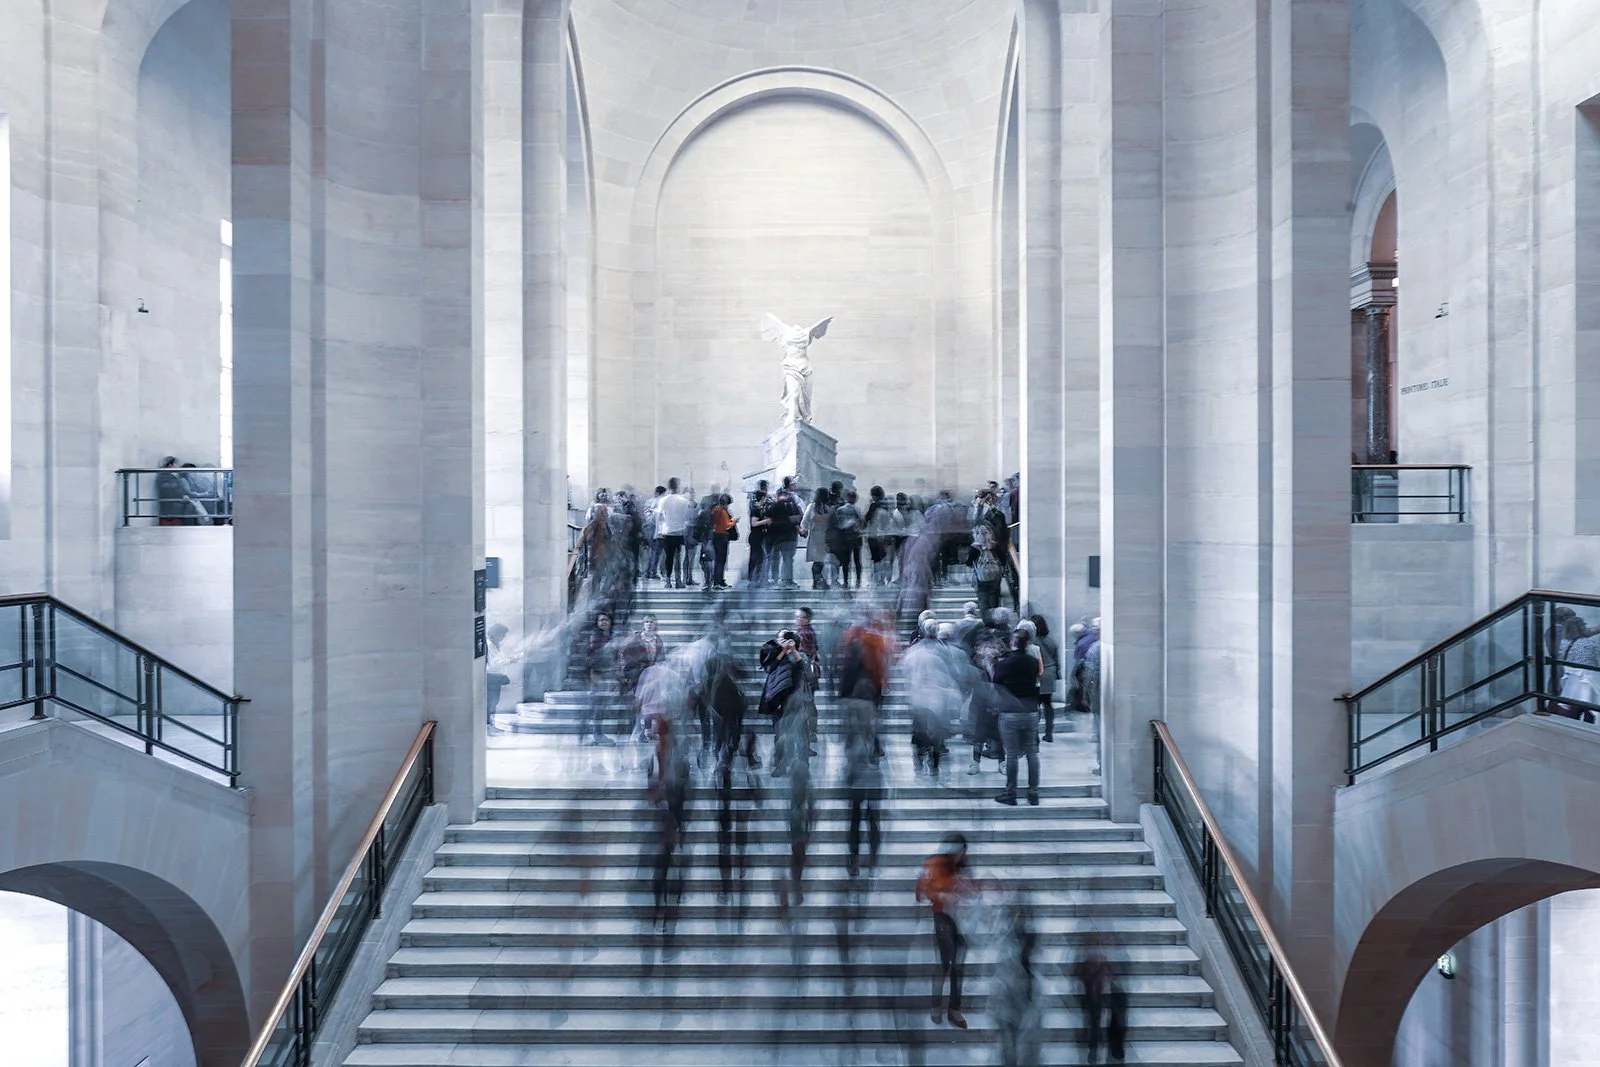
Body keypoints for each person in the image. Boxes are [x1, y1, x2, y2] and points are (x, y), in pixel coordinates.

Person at [915, 833, 972, 1029]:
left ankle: (954, 1009)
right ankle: (936, 1005)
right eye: (958, 852)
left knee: (958, 964)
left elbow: (971, 890)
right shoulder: (934, 864)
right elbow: (921, 891)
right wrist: (941, 895)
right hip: (942, 917)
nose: (961, 856)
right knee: (946, 961)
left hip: (959, 918)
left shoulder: (963, 867)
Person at [993, 624, 1042, 805]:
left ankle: (1011, 793)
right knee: (1032, 752)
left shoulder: (1004, 663)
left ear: (1013, 643)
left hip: (1010, 711)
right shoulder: (1033, 662)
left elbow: (996, 683)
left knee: (1012, 754)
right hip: (1030, 710)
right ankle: (1033, 792)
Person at [1076, 934, 1129, 1065]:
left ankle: (1099, 1046)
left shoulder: (1101, 961)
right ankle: (1096, 1046)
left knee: (1097, 1019)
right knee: (1094, 1019)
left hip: (1099, 994)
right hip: (1094, 995)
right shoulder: (1090, 962)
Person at [766, 477, 803, 589]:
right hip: (788, 535)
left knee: (776, 559)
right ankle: (786, 580)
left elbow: (768, 518)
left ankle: (775, 579)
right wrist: (798, 527)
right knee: (787, 558)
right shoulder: (792, 503)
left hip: (775, 536)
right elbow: (797, 516)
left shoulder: (772, 505)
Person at [1031, 613, 1062, 742]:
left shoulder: (1033, 641)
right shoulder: (1051, 639)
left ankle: (1034, 733)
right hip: (1050, 672)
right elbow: (1056, 657)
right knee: (1048, 704)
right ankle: (1049, 732)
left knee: (1035, 705)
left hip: (1038, 673)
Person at [655, 478, 691, 589]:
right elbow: (687, 517)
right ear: (678, 486)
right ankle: (678, 580)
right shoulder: (684, 501)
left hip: (667, 531)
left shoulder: (663, 500)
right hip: (679, 532)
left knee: (668, 557)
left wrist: (659, 530)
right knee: (678, 557)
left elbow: (659, 517)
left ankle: (668, 580)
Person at [827, 489, 865, 590]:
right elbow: (862, 522)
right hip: (856, 538)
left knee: (846, 561)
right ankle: (858, 581)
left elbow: (839, 524)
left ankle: (846, 581)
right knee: (857, 561)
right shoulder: (858, 509)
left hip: (845, 538)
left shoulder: (840, 509)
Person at [484, 622, 517, 733]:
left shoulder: (496, 646)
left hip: (496, 677)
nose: (503, 638)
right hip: (491, 677)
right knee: (491, 702)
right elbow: (494, 662)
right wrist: (509, 660)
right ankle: (488, 726)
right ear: (495, 633)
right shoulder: (489, 645)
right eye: (502, 635)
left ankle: (490, 725)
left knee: (494, 702)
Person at [800, 487, 834, 590]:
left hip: (818, 536)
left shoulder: (814, 507)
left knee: (820, 560)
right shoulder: (825, 507)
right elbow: (805, 522)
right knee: (819, 560)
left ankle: (819, 581)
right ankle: (817, 582)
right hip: (822, 536)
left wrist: (805, 529)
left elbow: (804, 521)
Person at [864, 485, 895, 586]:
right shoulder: (886, 505)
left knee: (875, 559)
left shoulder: (873, 506)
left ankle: (877, 579)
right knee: (882, 558)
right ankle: (882, 578)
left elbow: (866, 518)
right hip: (884, 535)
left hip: (873, 535)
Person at [747, 484, 771, 587]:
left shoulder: (759, 508)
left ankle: (757, 579)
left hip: (759, 536)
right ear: (762, 498)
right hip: (755, 536)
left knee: (760, 558)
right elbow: (754, 523)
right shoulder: (756, 509)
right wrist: (766, 520)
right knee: (755, 557)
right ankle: (753, 579)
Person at [710, 493, 735, 588]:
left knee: (717, 560)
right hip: (722, 536)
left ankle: (718, 580)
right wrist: (734, 521)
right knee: (721, 560)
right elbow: (727, 525)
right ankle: (718, 581)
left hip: (715, 536)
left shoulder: (714, 510)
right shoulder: (722, 511)